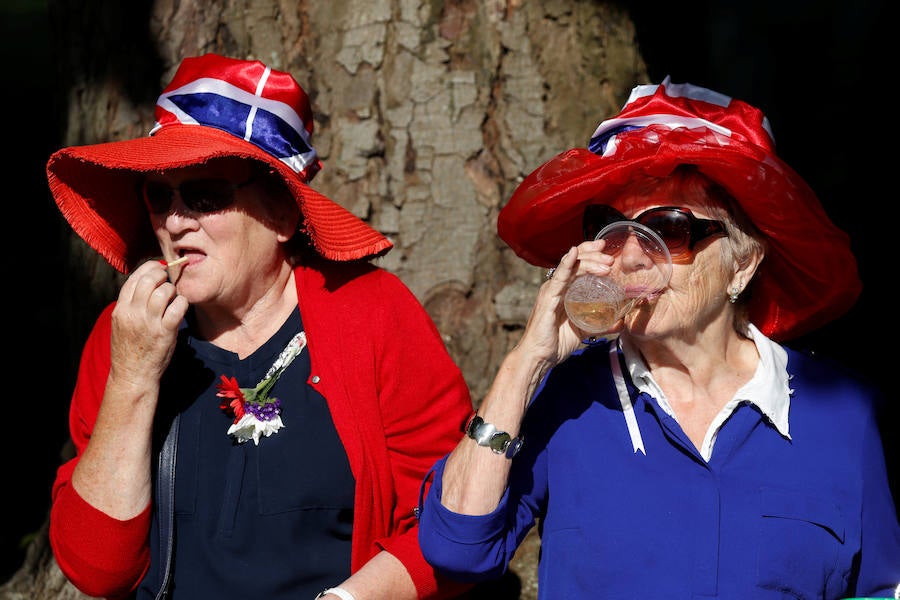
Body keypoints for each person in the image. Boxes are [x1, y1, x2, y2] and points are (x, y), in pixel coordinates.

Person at [417, 77, 900, 598]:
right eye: (610, 226)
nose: (628, 256)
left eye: (669, 228)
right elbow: (458, 549)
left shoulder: (842, 413)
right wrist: (528, 359)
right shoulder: (568, 398)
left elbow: (875, 589)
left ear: (743, 263)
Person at [46, 53, 474, 600]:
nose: (176, 221)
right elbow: (96, 568)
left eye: (205, 194)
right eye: (159, 194)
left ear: (281, 214)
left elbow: (454, 523)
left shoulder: (371, 314)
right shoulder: (127, 332)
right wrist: (132, 378)